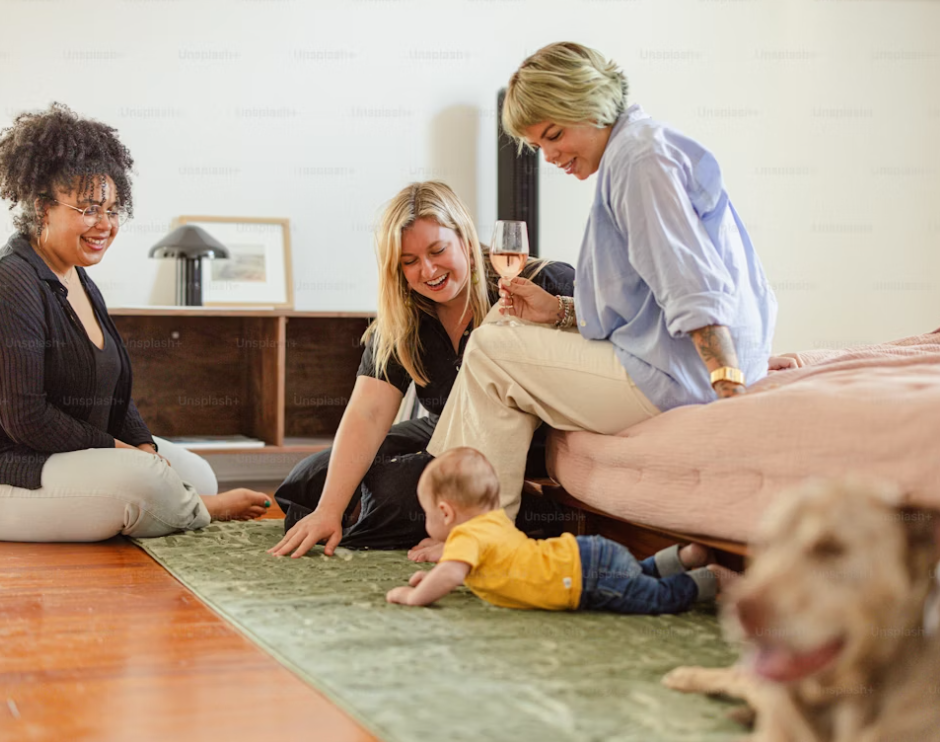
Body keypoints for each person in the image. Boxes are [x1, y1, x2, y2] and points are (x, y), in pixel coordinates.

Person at [425, 42, 780, 520]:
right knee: (502, 332)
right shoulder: (641, 147)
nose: (549, 156)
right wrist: (557, 311)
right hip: (676, 361)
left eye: (553, 135)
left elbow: (691, 285)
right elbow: (642, 301)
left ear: (588, 104)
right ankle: (468, 513)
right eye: (538, 146)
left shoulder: (638, 161)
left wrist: (731, 394)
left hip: (683, 375)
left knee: (490, 349)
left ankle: (469, 526)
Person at [0, 104, 270, 542]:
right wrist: (124, 454)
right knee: (147, 484)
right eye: (89, 209)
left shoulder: (78, 278)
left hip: (70, 454)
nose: (104, 225)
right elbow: (27, 419)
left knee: (197, 474)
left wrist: (142, 443)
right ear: (42, 208)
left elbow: (113, 391)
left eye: (112, 209)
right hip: (15, 467)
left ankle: (187, 503)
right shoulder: (11, 281)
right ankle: (203, 511)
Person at [268, 181, 574, 560]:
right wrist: (328, 508)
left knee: (390, 494)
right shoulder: (405, 315)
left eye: (437, 250)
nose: (427, 270)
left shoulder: (539, 281)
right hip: (441, 428)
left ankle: (525, 517)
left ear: (463, 236)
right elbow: (368, 411)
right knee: (308, 479)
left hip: (515, 442)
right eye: (409, 262)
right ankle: (353, 516)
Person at [386, 447, 737, 612]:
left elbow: (449, 573)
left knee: (655, 598)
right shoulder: (493, 523)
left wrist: (415, 595)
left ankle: (708, 578)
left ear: (445, 512)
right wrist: (428, 579)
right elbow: (490, 571)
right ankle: (684, 556)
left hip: (582, 578)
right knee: (637, 575)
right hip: (588, 556)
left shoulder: (465, 537)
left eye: (427, 513)